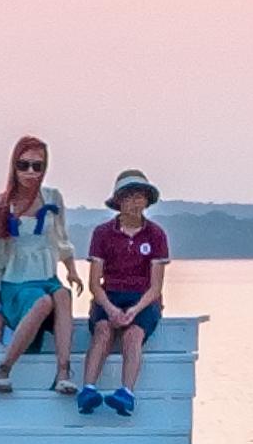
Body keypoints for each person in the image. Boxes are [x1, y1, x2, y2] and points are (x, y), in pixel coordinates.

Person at [0, 138, 73, 393]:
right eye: (24, 165)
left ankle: (63, 371)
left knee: (62, 295)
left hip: (47, 277)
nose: (30, 172)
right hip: (16, 283)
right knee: (43, 302)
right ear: (14, 166)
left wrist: (71, 269)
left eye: (37, 166)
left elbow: (61, 239)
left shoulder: (52, 198)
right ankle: (4, 368)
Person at [74, 175, 176, 417]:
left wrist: (134, 310)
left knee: (133, 335)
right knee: (103, 331)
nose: (134, 202)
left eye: (139, 196)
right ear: (118, 202)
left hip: (143, 298)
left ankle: (126, 392)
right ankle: (88, 389)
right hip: (109, 294)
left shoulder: (156, 234)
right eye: (128, 197)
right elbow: (94, 283)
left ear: (147, 201)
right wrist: (110, 309)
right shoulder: (102, 233)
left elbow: (155, 286)